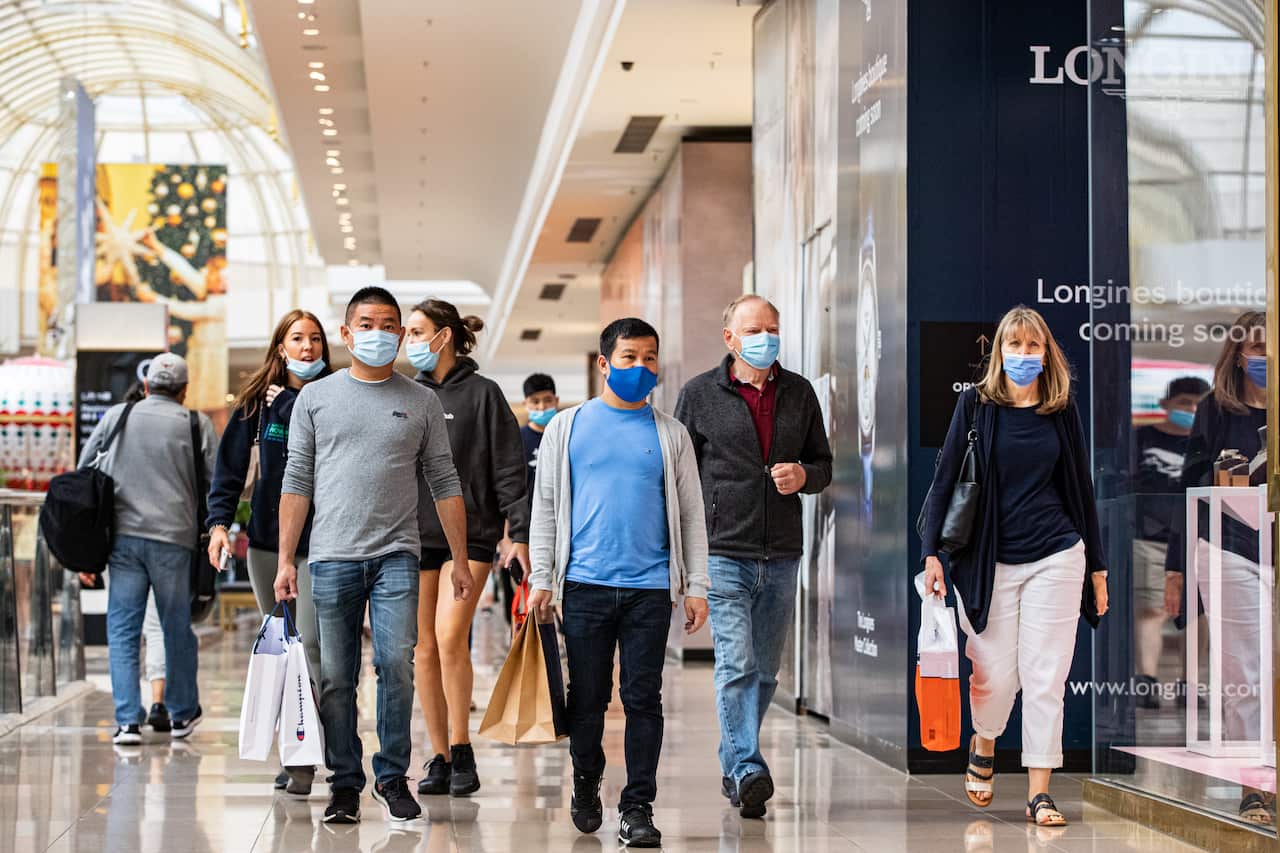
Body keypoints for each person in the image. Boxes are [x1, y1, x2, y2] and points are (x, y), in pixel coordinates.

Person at [275, 286, 470, 826]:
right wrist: (287, 558)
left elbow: (444, 479)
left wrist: (458, 557)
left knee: (396, 667)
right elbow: (297, 480)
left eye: (389, 324)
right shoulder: (315, 400)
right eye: (366, 323)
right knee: (337, 676)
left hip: (397, 556)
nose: (378, 333)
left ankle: (389, 777)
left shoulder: (422, 400)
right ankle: (345, 782)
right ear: (346, 332)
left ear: (402, 333)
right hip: (332, 556)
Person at [918, 305, 1108, 827]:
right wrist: (931, 552)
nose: (1024, 355)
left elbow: (1080, 488)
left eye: (1033, 346)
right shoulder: (976, 406)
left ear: (1047, 354)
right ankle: (984, 740)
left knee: (1046, 676)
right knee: (995, 675)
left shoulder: (1061, 409)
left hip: (1058, 553)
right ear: (998, 352)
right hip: (989, 561)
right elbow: (944, 480)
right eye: (1014, 345)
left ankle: (1040, 791)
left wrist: (1096, 565)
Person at [528, 317, 710, 849]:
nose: (640, 367)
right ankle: (586, 784)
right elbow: (545, 511)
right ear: (604, 363)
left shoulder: (671, 434)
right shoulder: (567, 427)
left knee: (642, 697)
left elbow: (693, 516)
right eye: (629, 357)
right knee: (586, 699)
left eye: (649, 358)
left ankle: (637, 807)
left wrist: (694, 584)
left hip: (650, 589)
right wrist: (542, 578)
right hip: (582, 585)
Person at [673, 294, 832, 819]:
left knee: (765, 671)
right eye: (754, 329)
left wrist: (804, 476)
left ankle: (732, 761)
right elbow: (680, 479)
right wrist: (685, 561)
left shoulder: (801, 392)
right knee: (736, 664)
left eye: (773, 327)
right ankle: (746, 765)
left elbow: (823, 464)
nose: (766, 337)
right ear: (730, 338)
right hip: (723, 551)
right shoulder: (698, 395)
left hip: (783, 552)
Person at [404, 298, 529, 797]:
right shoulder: (406, 394)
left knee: (451, 637)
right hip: (411, 539)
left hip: (470, 538)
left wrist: (516, 532)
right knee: (423, 649)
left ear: (445, 336)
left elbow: (508, 468)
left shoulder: (483, 394)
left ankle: (462, 748)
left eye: (417, 331)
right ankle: (436, 756)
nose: (409, 341)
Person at [206, 309, 332, 796]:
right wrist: (219, 526)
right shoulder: (256, 405)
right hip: (265, 545)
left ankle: (316, 754)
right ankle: (293, 752)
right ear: (281, 347)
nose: (307, 347)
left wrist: (296, 403)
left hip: (323, 544)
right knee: (282, 651)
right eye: (297, 339)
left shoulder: (334, 396)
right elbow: (229, 471)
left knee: (316, 647)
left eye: (315, 339)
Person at [1163, 311, 1274, 825]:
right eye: (1255, 348)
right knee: (1243, 673)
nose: (1264, 357)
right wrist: (1176, 568)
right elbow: (1190, 491)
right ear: (1236, 355)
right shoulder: (1215, 412)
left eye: (1271, 346)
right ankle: (1255, 787)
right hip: (1230, 549)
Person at [79, 352, 217, 746]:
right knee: (175, 628)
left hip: (123, 540)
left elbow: (85, 469)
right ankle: (180, 714)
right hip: (175, 541)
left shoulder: (118, 416)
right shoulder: (196, 424)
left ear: (145, 386)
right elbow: (217, 481)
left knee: (122, 630)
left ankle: (127, 721)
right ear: (184, 391)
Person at [1130, 376, 1208, 708]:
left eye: (1197, 404)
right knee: (1152, 609)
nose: (1190, 410)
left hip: (1200, 539)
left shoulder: (1207, 442)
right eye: (1184, 403)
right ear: (1166, 405)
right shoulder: (1141, 439)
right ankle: (1146, 680)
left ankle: (1190, 684)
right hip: (1151, 538)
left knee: (1197, 614)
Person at [495, 373, 561, 626]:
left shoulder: (564, 435)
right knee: (527, 599)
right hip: (525, 533)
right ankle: (528, 656)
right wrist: (506, 540)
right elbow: (508, 494)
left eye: (547, 400)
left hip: (561, 531)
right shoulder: (517, 440)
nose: (542, 407)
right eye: (535, 402)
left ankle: (560, 653)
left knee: (560, 599)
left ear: (556, 399)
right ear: (526, 404)